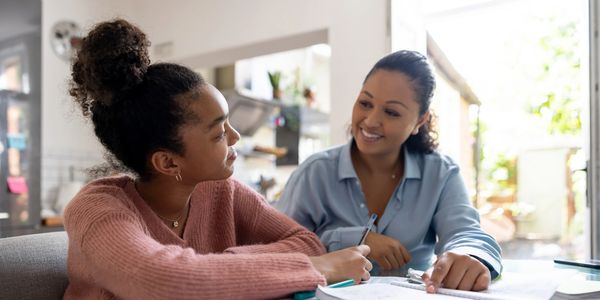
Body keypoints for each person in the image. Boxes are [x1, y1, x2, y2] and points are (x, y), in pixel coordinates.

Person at [63, 19, 372, 300]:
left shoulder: (221, 190)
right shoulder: (97, 210)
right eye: (218, 133)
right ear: (168, 163)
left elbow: (306, 243)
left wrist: (218, 266)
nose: (235, 137)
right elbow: (165, 281)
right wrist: (315, 268)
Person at [276, 50, 502, 293]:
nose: (371, 120)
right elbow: (278, 250)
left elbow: (467, 233)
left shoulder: (441, 174)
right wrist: (355, 239)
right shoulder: (315, 173)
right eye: (365, 103)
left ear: (419, 121)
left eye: (391, 112)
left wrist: (467, 256)